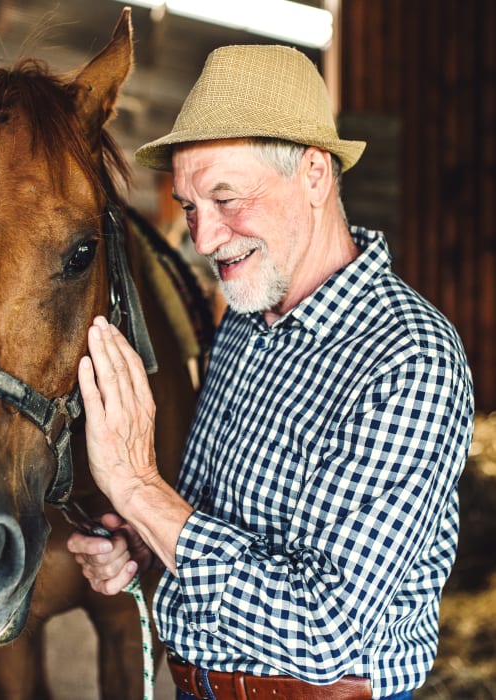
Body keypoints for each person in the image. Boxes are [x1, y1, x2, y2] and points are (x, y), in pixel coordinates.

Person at [67, 45, 474, 700]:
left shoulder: (409, 358)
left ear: (315, 175)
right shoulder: (246, 318)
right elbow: (214, 518)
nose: (202, 240)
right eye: (191, 207)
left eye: (227, 199)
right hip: (194, 684)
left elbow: (324, 631)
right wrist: (145, 540)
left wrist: (139, 489)